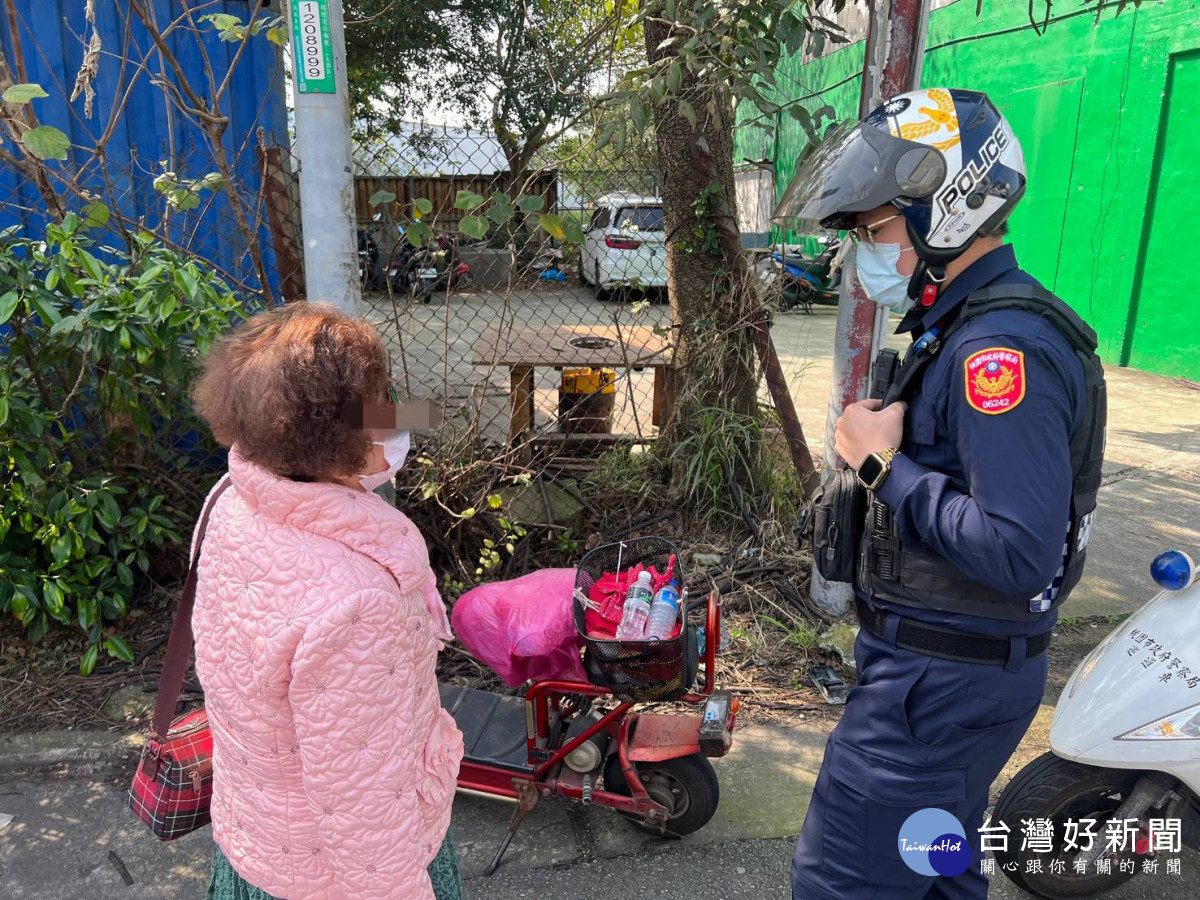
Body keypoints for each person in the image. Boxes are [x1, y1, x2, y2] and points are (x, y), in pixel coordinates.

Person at [775, 88, 1107, 898]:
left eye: (876, 229)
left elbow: (1021, 551)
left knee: (842, 882)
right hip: (952, 680)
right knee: (938, 870)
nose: (864, 254)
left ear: (948, 210)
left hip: (932, 694)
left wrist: (883, 466)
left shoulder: (998, 352)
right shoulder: (964, 327)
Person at [188, 302, 465, 900]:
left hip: (255, 833)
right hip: (336, 873)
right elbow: (362, 801)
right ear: (339, 438)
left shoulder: (233, 500)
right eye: (378, 407)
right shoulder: (358, 602)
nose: (394, 421)